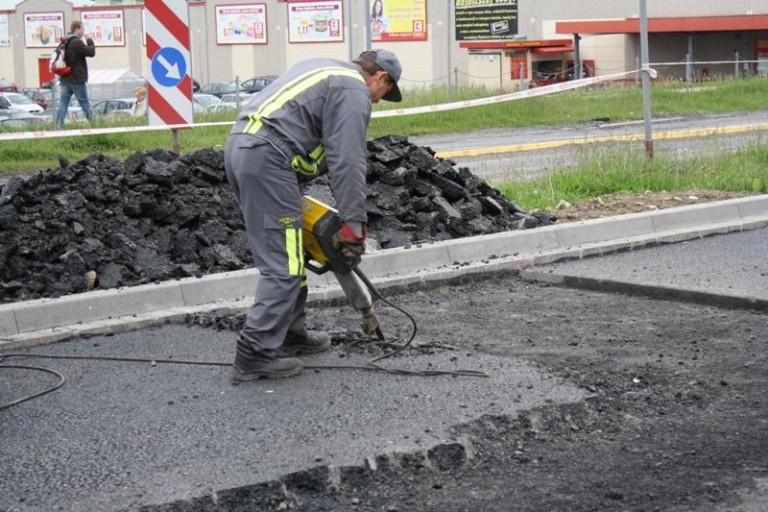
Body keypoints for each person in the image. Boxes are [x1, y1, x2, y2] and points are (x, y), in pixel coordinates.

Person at [224, 49, 403, 381]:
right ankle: (254, 354)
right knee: (284, 264)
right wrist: (353, 223)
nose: (377, 102)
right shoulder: (354, 90)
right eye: (384, 94)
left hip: (243, 150)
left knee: (294, 252)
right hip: (268, 159)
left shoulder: (324, 68)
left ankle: (290, 335)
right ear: (380, 77)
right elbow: (347, 159)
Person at [55, 20, 95, 129]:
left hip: (64, 78)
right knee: (84, 103)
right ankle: (96, 125)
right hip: (76, 79)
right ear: (76, 29)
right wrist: (89, 39)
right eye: (82, 29)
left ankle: (58, 126)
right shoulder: (76, 42)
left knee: (63, 103)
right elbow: (91, 52)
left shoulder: (65, 41)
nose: (83, 31)